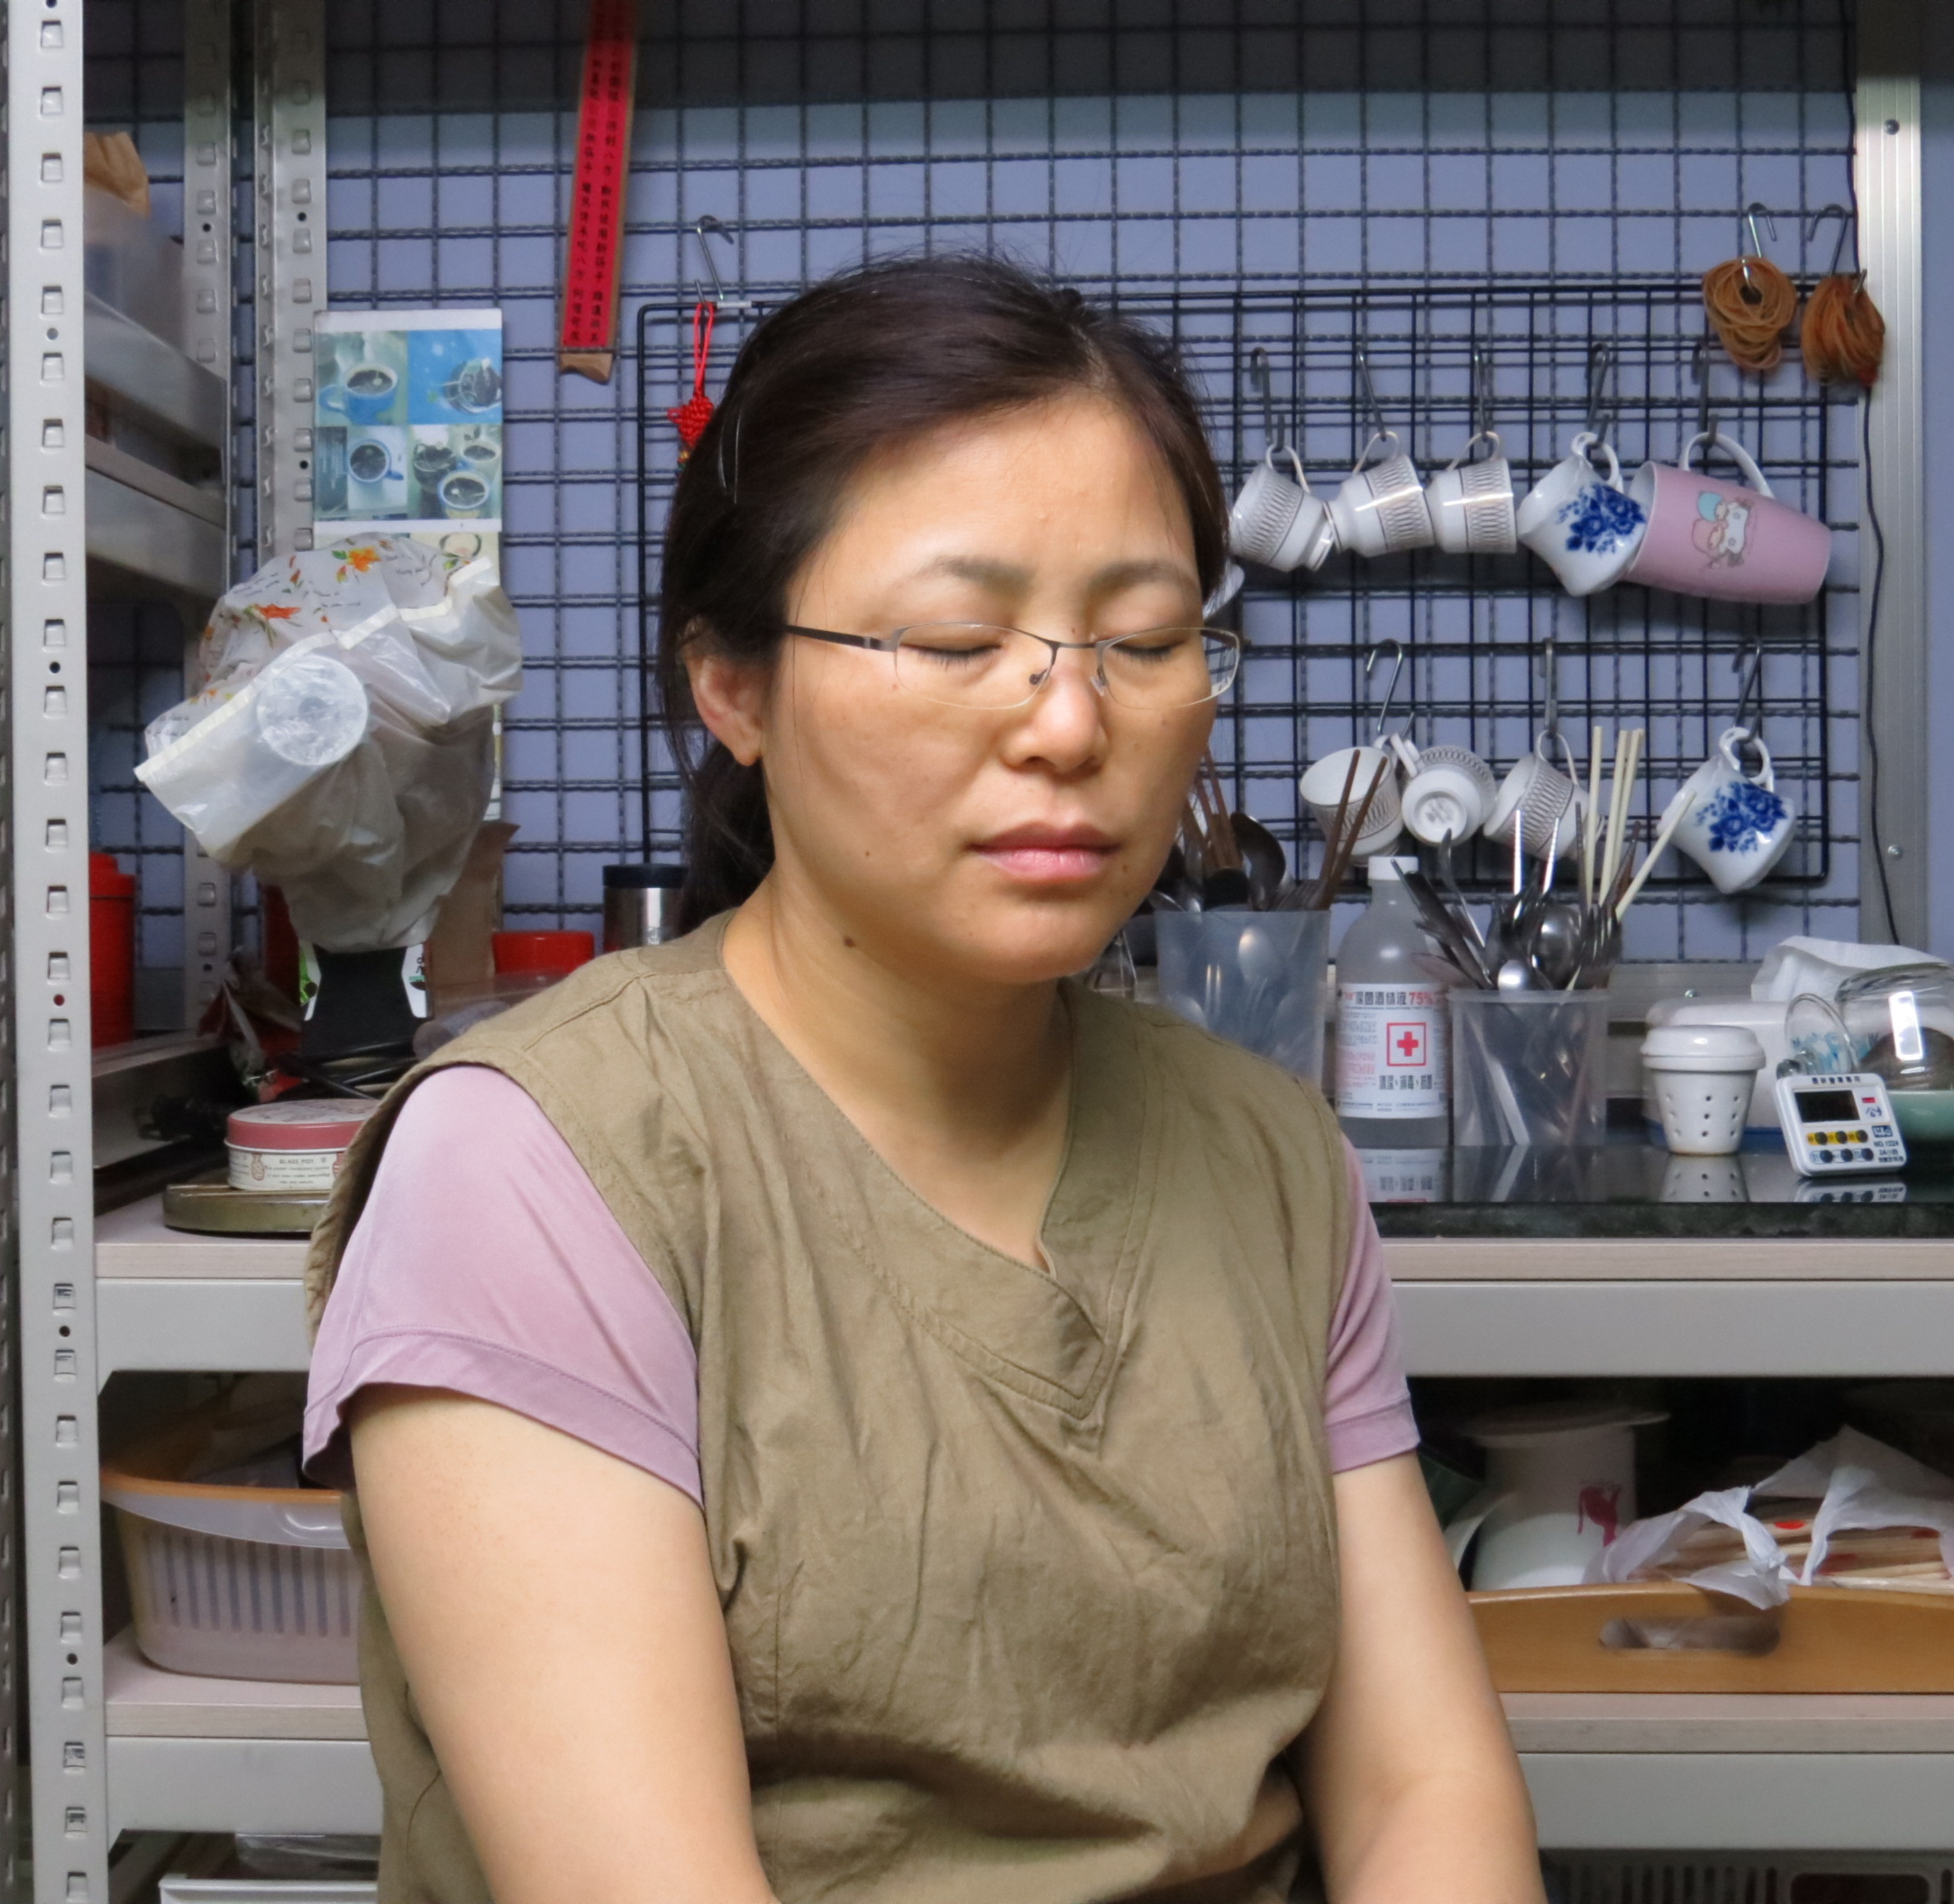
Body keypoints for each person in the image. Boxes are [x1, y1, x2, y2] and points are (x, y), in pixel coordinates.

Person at [304, 253, 1542, 1904]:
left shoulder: (1264, 1149)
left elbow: (1418, 1795)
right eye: (960, 638)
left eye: (1146, 639)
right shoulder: (538, 1164)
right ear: (733, 685)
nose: (1069, 724)